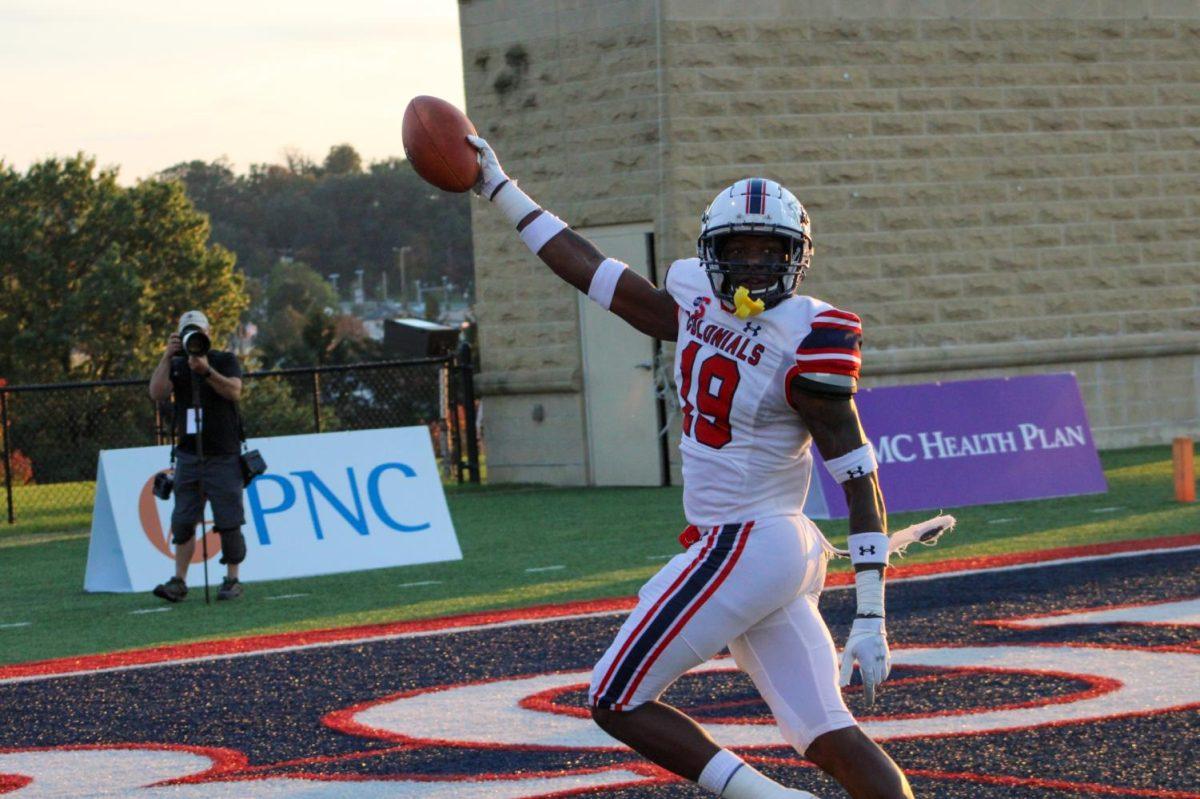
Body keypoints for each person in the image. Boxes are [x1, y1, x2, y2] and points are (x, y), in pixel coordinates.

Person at [467, 136, 917, 798]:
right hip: (770, 550)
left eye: (770, 251)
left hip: (748, 541)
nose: (754, 264)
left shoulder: (807, 338)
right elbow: (590, 270)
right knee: (827, 732)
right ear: (714, 251)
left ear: (796, 258)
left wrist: (874, 613)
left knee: (614, 694)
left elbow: (860, 476)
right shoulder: (691, 299)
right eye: (739, 249)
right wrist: (498, 188)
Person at [148, 310, 248, 602]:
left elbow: (235, 392)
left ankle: (232, 579)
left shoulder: (224, 360)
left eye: (197, 332)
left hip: (223, 453)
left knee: (229, 519)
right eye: (187, 332)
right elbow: (156, 393)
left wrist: (205, 370)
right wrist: (168, 356)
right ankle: (179, 581)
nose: (193, 337)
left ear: (208, 333)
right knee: (182, 520)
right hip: (189, 455)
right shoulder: (177, 365)